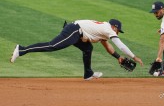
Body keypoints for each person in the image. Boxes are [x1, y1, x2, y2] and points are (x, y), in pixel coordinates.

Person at [10, 19, 143, 80]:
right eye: (118, 30)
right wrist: (133, 56)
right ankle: (21, 50)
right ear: (115, 27)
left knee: (88, 49)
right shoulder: (108, 29)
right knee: (52, 46)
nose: (118, 33)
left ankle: (88, 74)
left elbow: (108, 46)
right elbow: (120, 44)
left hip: (78, 33)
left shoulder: (104, 30)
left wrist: (118, 57)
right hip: (74, 31)